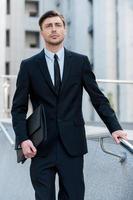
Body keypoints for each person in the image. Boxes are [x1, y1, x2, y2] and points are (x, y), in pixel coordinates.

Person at [11, 10, 127, 200]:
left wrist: (115, 127)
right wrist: (23, 139)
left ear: (64, 30)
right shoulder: (29, 66)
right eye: (48, 26)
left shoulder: (80, 62)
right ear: (42, 32)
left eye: (58, 25)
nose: (54, 29)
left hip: (72, 147)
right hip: (40, 147)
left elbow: (97, 97)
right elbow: (18, 108)